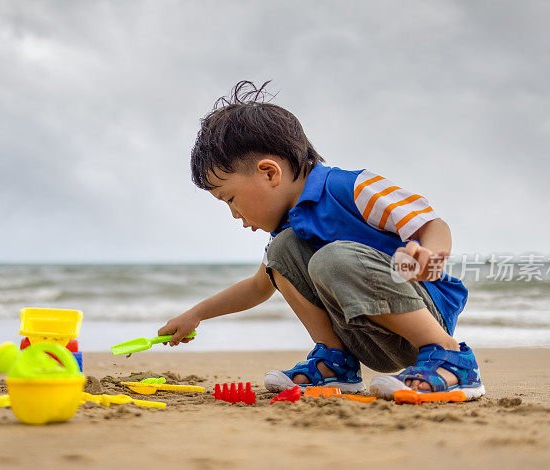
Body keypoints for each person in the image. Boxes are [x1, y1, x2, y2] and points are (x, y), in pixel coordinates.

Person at [158, 81, 484, 400]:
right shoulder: (288, 231)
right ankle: (335, 363)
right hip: (366, 338)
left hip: (422, 317)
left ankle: (450, 358)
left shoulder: (350, 188)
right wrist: (196, 314)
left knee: (332, 258)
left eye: (230, 198)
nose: (234, 214)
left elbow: (432, 222)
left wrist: (430, 255)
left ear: (270, 173)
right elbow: (259, 286)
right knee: (281, 251)